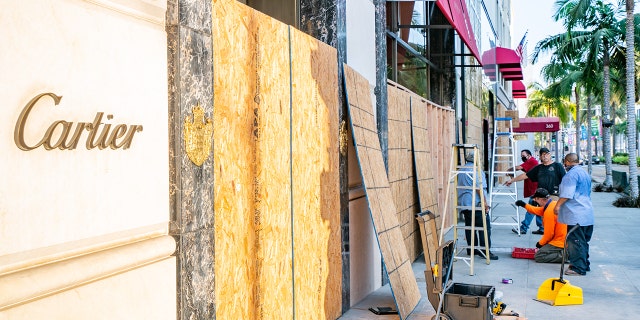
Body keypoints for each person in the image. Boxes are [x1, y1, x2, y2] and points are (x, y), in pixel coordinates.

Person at [505, 147, 566, 233]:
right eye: (543, 155)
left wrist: (565, 196)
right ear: (540, 157)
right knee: (538, 213)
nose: (545, 156)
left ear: (550, 155)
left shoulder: (557, 166)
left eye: (547, 154)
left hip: (553, 196)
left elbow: (565, 180)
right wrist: (512, 180)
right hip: (540, 196)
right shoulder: (539, 168)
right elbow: (526, 175)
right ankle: (541, 230)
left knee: (551, 217)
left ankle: (550, 234)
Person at [554, 153, 594, 276]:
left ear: (566, 161)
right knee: (582, 241)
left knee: (575, 241)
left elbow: (567, 194)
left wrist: (557, 205)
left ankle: (578, 268)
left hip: (576, 214)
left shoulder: (570, 175)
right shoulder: (584, 173)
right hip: (587, 213)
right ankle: (584, 264)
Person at [458, 152, 498, 260]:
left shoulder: (461, 170)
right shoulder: (477, 171)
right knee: (484, 228)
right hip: (475, 204)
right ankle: (484, 251)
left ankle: (472, 249)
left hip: (465, 204)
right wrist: (485, 204)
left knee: (470, 227)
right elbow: (479, 189)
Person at [515, 188, 567, 263]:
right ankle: (564, 253)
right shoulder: (552, 204)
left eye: (536, 199)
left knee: (539, 256)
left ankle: (565, 256)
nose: (534, 200)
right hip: (562, 239)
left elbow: (549, 234)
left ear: (542, 199)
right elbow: (537, 210)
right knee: (543, 249)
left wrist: (540, 243)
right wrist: (524, 205)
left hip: (559, 242)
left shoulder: (549, 212)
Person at [509, 149, 541, 235]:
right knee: (537, 209)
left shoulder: (532, 161)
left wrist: (509, 170)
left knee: (531, 209)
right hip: (534, 188)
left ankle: (524, 228)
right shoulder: (530, 161)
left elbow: (519, 168)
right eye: (521, 156)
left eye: (524, 155)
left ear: (529, 155)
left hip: (535, 189)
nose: (522, 157)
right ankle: (542, 228)